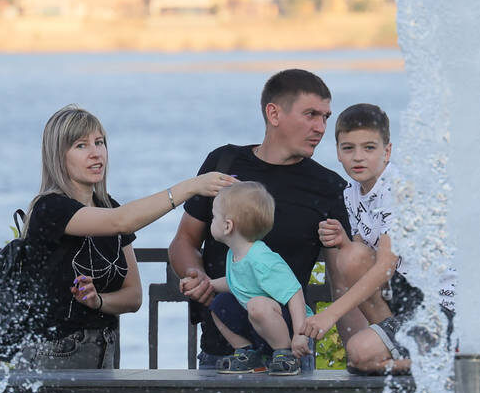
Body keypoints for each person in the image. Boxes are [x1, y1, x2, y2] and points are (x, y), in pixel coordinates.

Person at [16, 104, 236, 369]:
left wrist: (98, 301)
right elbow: (121, 222)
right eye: (81, 145)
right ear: (57, 155)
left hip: (104, 350)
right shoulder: (50, 208)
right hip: (53, 353)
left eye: (99, 142)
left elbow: (133, 297)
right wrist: (191, 186)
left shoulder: (109, 205)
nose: (95, 153)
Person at [169, 69, 355, 371]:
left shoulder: (328, 187)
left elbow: (342, 283)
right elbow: (184, 240)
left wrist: (356, 355)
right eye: (310, 114)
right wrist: (196, 275)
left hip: (290, 360)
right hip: (222, 355)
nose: (320, 128)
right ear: (274, 113)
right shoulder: (224, 163)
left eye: (325, 117)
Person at [302, 103, 454, 374]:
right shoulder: (352, 192)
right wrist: (342, 238)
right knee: (351, 256)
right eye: (348, 148)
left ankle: (437, 355)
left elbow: (385, 266)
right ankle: (420, 359)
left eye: (369, 148)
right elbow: (361, 255)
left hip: (439, 308)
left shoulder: (397, 189)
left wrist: (330, 313)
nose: (358, 157)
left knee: (360, 353)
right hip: (405, 298)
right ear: (337, 152)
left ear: (387, 151)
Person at [193, 182, 313, 375]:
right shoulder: (235, 253)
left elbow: (294, 294)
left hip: (290, 325)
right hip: (261, 323)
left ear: (227, 226)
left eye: (214, 216)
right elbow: (238, 283)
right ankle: (248, 353)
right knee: (219, 304)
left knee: (257, 304)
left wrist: (300, 335)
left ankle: (284, 354)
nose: (211, 221)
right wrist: (208, 284)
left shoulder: (261, 259)